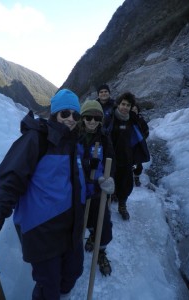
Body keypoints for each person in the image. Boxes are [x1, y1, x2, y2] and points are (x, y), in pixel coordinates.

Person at [0, 89, 87, 300]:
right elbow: (10, 183)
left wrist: (99, 186)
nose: (71, 120)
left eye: (75, 115)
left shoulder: (74, 144)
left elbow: (78, 184)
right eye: (65, 113)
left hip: (70, 230)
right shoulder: (36, 139)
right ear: (54, 114)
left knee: (73, 273)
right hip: (42, 231)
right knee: (48, 288)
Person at [77, 100, 115, 276]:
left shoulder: (105, 139)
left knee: (103, 224)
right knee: (81, 222)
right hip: (79, 190)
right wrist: (86, 164)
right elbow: (71, 162)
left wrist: (109, 179)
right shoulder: (75, 136)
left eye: (96, 118)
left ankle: (101, 251)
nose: (92, 121)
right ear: (82, 118)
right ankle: (90, 239)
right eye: (88, 117)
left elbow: (111, 163)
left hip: (98, 190)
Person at [111, 92, 150, 220]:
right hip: (111, 159)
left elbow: (140, 136)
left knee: (126, 183)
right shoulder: (111, 119)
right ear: (118, 104)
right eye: (123, 104)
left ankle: (122, 204)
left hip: (128, 158)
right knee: (111, 181)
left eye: (128, 105)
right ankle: (112, 197)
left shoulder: (133, 120)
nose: (125, 107)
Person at [131, 103, 149, 187]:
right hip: (129, 146)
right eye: (133, 109)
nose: (134, 110)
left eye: (136, 109)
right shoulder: (127, 119)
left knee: (138, 163)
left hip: (139, 145)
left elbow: (146, 131)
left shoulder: (141, 120)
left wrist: (142, 138)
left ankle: (136, 177)